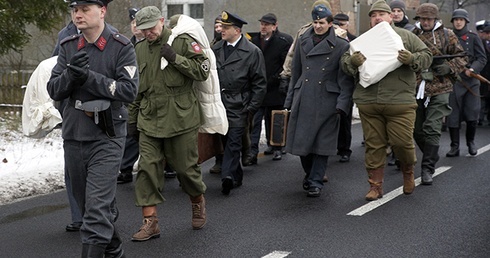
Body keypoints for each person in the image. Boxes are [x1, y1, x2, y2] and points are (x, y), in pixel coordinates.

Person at [47, 0, 138, 256]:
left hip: (106, 136)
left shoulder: (121, 46)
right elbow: (53, 89)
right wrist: (69, 76)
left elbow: (128, 90)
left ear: (102, 11)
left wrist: (88, 78)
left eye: (85, 9)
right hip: (75, 134)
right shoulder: (67, 46)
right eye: (75, 9)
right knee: (88, 207)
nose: (78, 14)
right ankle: (114, 247)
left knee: (96, 211)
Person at [128, 6, 209, 241]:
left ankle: (197, 200)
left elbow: (202, 71)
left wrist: (175, 58)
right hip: (149, 118)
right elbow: (137, 90)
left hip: (180, 118)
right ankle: (150, 222)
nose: (148, 33)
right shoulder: (139, 49)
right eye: (143, 30)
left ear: (162, 21)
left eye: (151, 28)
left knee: (185, 170)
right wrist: (132, 120)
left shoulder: (182, 41)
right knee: (147, 170)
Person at [341, 0, 432, 201]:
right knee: (374, 146)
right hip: (369, 101)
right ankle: (375, 186)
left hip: (399, 101)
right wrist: (352, 63)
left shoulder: (406, 37)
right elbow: (345, 64)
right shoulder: (363, 40)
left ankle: (408, 172)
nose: (378, 17)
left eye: (382, 14)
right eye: (374, 15)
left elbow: (427, 56)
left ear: (391, 17)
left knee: (402, 142)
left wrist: (412, 60)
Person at [284, 4, 353, 198]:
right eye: (315, 22)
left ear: (330, 24)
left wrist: (342, 104)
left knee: (322, 144)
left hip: (327, 100)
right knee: (302, 144)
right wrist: (290, 100)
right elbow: (296, 72)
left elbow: (345, 79)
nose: (317, 26)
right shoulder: (303, 40)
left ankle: (315, 181)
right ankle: (310, 174)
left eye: (321, 23)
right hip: (304, 95)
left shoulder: (341, 46)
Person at [212, 11, 267, 195]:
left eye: (226, 28)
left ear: (237, 30)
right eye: (222, 27)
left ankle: (227, 176)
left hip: (239, 104)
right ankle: (237, 175)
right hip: (220, 103)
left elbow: (260, 84)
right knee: (225, 139)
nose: (222, 30)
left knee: (234, 142)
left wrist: (251, 108)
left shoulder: (252, 51)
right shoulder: (217, 48)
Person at [412, 3, 467, 185]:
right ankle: (431, 154)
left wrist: (449, 67)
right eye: (422, 18)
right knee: (417, 129)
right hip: (417, 86)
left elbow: (462, 57)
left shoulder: (447, 35)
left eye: (429, 19)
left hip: (440, 86)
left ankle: (427, 168)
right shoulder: (412, 35)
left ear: (435, 19)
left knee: (432, 127)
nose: (426, 22)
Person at [248, 13, 293, 162]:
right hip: (258, 88)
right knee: (255, 120)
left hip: (275, 86)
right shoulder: (254, 41)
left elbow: (285, 64)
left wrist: (277, 79)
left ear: (274, 26)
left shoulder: (283, 41)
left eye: (267, 24)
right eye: (262, 24)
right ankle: (252, 152)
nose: (263, 27)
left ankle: (277, 147)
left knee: (275, 119)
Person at [446, 9, 487, 157]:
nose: (458, 22)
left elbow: (482, 58)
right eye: (456, 19)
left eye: (461, 20)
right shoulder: (447, 37)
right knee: (453, 115)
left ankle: (471, 142)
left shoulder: (473, 37)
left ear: (465, 22)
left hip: (471, 80)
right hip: (454, 80)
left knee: (472, 113)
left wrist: (472, 69)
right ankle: (454, 146)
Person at [117, 7, 143, 184]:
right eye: (133, 23)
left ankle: (168, 166)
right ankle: (126, 168)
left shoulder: (156, 43)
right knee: (131, 133)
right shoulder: (126, 45)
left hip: (150, 96)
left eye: (138, 23)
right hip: (132, 96)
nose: (135, 26)